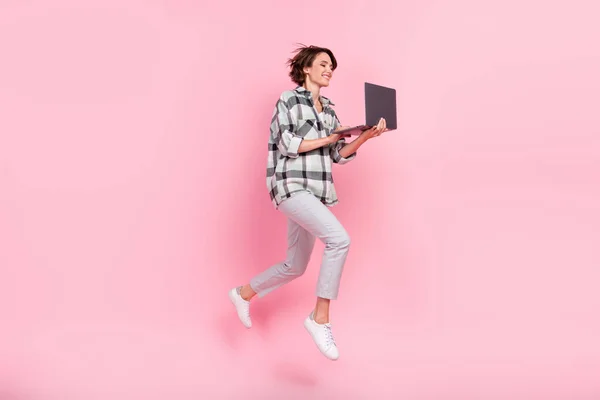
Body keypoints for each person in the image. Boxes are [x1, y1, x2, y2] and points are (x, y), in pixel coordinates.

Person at [228, 44, 387, 361]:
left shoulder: (328, 109)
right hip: (290, 186)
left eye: (332, 66)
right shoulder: (289, 100)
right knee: (339, 240)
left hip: (314, 193)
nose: (329, 69)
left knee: (295, 266)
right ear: (306, 68)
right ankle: (319, 318)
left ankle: (242, 293)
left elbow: (337, 155)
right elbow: (287, 143)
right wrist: (330, 138)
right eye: (324, 64)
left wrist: (364, 137)